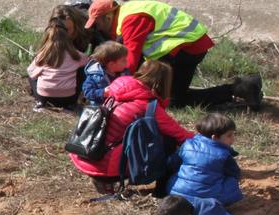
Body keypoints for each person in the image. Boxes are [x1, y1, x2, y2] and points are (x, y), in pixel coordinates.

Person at [85, 0, 262, 110]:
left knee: (174, 101)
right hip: (186, 47)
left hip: (187, 49)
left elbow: (131, 57)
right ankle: (244, 88)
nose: (97, 28)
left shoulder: (131, 20)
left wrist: (121, 88)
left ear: (107, 17)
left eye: (97, 23)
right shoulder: (127, 13)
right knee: (172, 96)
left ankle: (241, 89)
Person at [70, 60, 193, 194]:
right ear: (164, 83)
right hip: (106, 168)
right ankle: (161, 190)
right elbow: (182, 136)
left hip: (85, 154)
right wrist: (207, 137)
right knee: (169, 142)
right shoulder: (148, 106)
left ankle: (104, 180)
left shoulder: (119, 87)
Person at [169, 113, 243, 207]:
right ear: (214, 138)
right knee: (232, 181)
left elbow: (173, 163)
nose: (233, 139)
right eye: (229, 135)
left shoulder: (187, 144)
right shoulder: (223, 155)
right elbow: (235, 173)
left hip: (177, 195)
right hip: (206, 201)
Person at [27, 6, 88, 111]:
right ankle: (73, 102)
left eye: (68, 30)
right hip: (69, 97)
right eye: (64, 30)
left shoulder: (44, 53)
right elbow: (88, 61)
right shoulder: (75, 54)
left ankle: (40, 101)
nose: (67, 34)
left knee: (32, 76)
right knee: (84, 68)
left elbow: (31, 72)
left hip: (45, 96)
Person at [81, 40, 129, 105]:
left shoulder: (124, 72)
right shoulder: (95, 76)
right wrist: (103, 92)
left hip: (118, 104)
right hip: (101, 107)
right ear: (111, 64)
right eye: (123, 61)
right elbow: (87, 92)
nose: (127, 62)